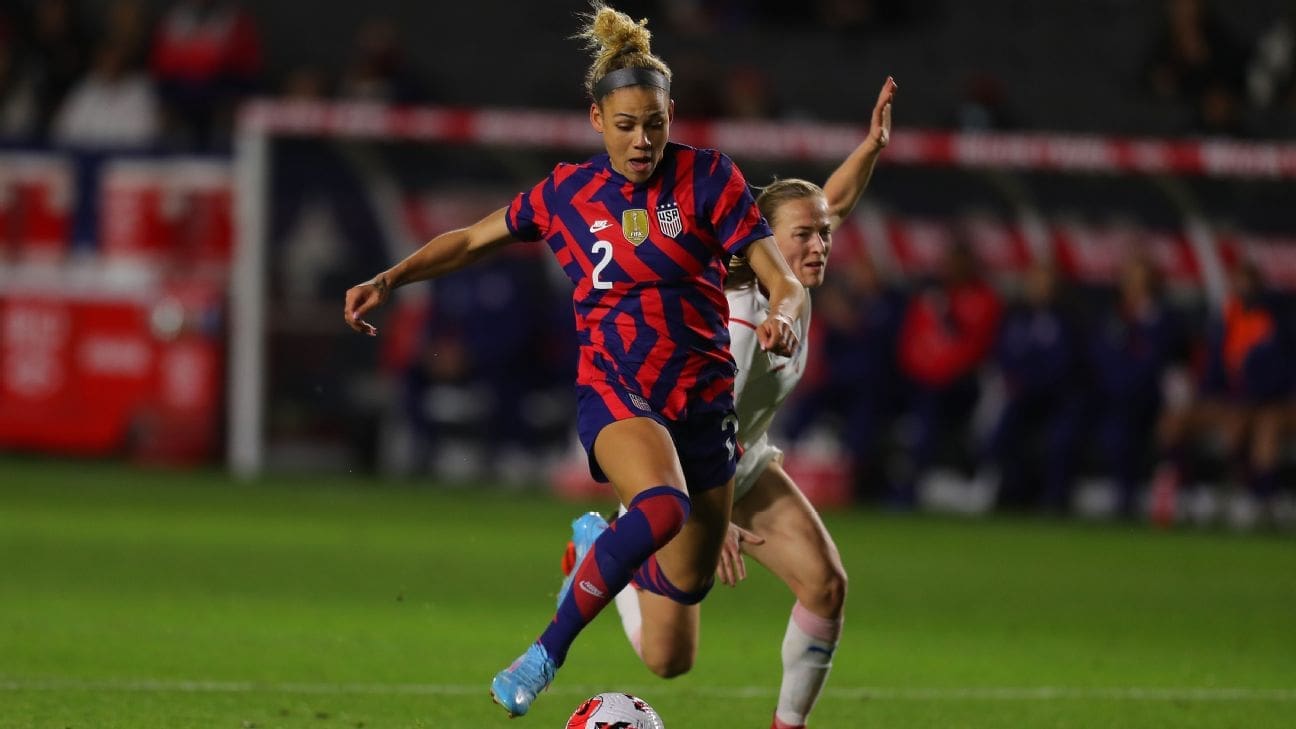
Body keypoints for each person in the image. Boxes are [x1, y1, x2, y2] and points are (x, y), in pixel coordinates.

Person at [343, 2, 805, 717]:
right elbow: (469, 240)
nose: (642, 140)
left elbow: (784, 277)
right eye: (625, 126)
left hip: (703, 405)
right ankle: (542, 654)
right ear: (597, 121)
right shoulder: (568, 192)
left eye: (654, 123)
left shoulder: (710, 178)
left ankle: (596, 548)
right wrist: (388, 279)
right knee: (659, 505)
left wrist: (781, 312)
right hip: (618, 392)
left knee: (673, 641)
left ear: (672, 114)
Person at [601, 75, 897, 729]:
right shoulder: (733, 321)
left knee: (826, 584)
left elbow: (835, 200)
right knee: (668, 659)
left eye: (824, 234)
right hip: (675, 473)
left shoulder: (791, 271)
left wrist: (872, 145)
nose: (819, 245)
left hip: (744, 459)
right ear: (762, 236)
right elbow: (678, 432)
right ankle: (598, 549)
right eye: (805, 236)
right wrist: (712, 516)